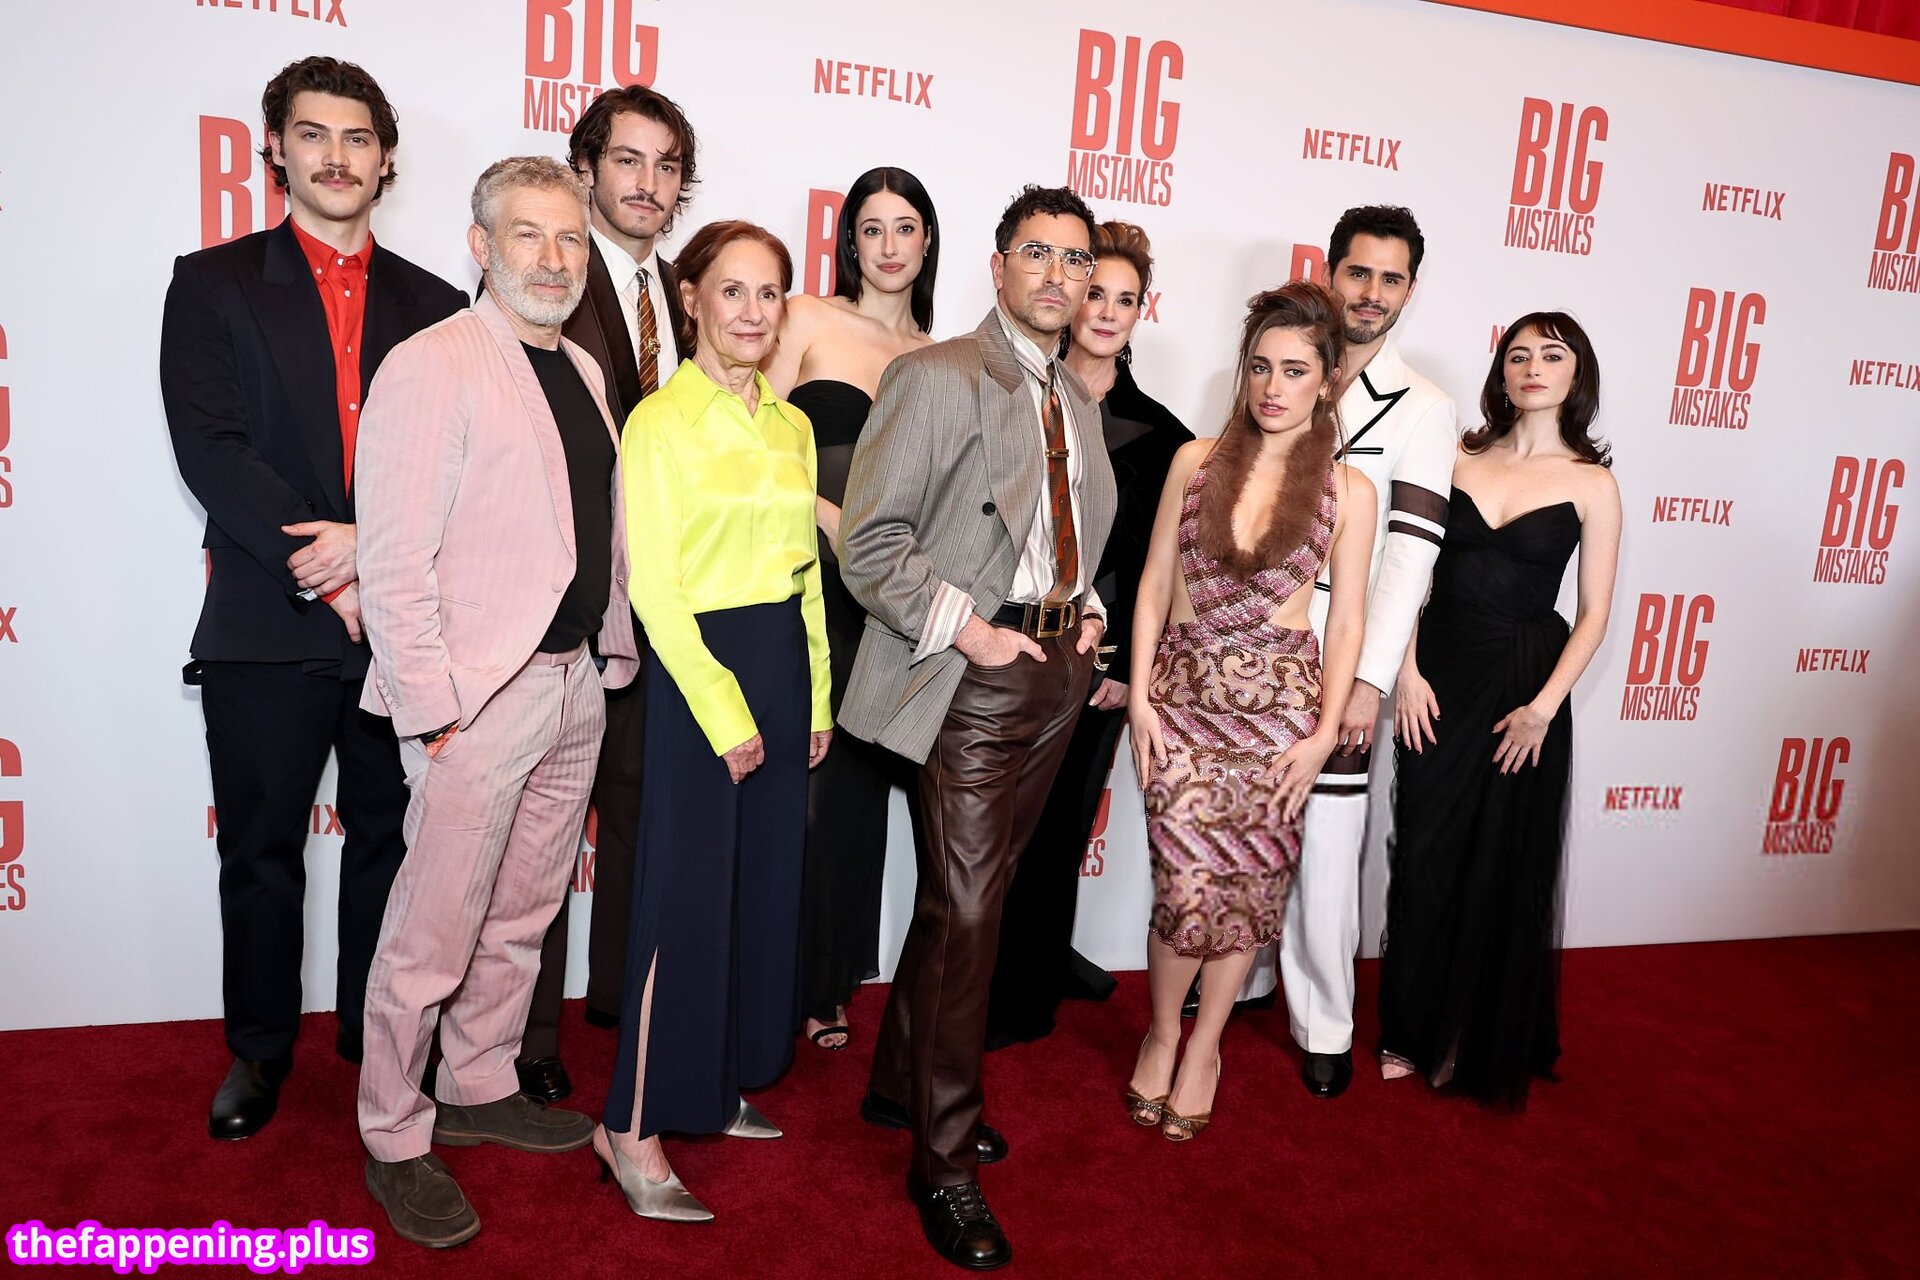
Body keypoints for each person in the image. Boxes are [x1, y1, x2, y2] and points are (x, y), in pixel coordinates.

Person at [158, 55, 466, 1142]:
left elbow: (455, 467)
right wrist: (333, 566)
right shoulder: (213, 283)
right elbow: (213, 449)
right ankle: (258, 1047)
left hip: (400, 626)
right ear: (276, 152)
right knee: (260, 852)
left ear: (386, 160)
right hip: (264, 620)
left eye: (358, 138)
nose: (337, 156)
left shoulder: (440, 307)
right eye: (313, 134)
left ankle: (377, 1040)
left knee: (392, 843)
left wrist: (371, 556)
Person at [353, 156, 640, 1248]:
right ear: (481, 246)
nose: (554, 259)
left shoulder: (586, 367)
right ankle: (393, 1132)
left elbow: (592, 523)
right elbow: (393, 558)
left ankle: (476, 1082)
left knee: (522, 913)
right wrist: (434, 710)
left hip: (573, 681)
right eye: (529, 235)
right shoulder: (433, 362)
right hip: (478, 696)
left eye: (570, 239)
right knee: (431, 934)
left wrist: (608, 650)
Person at [838, 184, 1116, 1272]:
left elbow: (1062, 533)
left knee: (969, 902)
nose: (1058, 275)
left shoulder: (1074, 394)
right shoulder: (939, 375)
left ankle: (895, 1085)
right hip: (970, 674)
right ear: (998, 267)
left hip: (1053, 675)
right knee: (967, 910)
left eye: (1075, 259)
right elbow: (870, 543)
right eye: (1037, 253)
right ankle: (944, 1163)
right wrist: (974, 632)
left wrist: (1085, 609)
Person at [595, 221, 833, 1223]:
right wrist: (728, 713)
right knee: (681, 901)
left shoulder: (792, 424)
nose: (751, 311)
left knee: (754, 893)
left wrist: (816, 697)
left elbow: (804, 576)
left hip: (781, 663)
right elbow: (655, 588)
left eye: (769, 293)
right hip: (701, 675)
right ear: (691, 299)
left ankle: (710, 1085)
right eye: (731, 290)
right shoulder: (660, 422)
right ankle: (630, 1124)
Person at [1126, 282, 1375, 1141]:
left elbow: (1348, 620)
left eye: (1296, 370)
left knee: (1248, 889)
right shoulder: (1194, 461)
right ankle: (1164, 1031)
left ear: (1329, 378)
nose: (1274, 386)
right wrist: (1141, 702)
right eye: (1261, 366)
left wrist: (1323, 734)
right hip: (1182, 703)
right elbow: (1154, 584)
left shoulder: (1349, 489)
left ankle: (1207, 1047)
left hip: (1281, 718)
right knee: (1184, 886)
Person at [1379, 312, 1620, 1108]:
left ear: (1576, 374)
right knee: (1423, 852)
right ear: (1502, 373)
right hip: (1439, 677)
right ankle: (1409, 1026)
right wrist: (1405, 669)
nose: (1533, 367)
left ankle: (1468, 1035)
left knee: (1500, 861)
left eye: (1551, 355)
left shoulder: (1592, 483)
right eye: (1518, 355)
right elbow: (1408, 568)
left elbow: (1593, 614)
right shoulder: (1456, 455)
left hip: (1526, 687)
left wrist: (1544, 708)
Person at [519, 83, 699, 1106]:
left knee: (637, 816)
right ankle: (529, 1032)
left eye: (667, 165)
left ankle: (621, 1002)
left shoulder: (688, 293)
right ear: (585, 168)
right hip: (562, 603)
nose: (648, 183)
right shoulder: (546, 274)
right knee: (542, 835)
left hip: (663, 608)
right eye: (628, 160)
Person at [1255, 206, 1460, 1101]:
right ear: (1331, 272)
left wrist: (1372, 680)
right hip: (1249, 642)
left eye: (1391, 278)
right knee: (1244, 818)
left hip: (1341, 657)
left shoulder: (1427, 408)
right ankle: (1242, 978)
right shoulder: (1280, 367)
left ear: (1409, 289)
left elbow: (1409, 559)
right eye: (1359, 272)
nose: (1372, 293)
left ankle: (1325, 1023)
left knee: (1330, 846)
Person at [987, 220, 1192, 1049]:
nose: (1106, 311)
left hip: (1099, 665)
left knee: (1060, 829)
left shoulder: (1168, 437)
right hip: (1004, 645)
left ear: (1142, 312)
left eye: (1124, 299)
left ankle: (1026, 992)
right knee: (990, 829)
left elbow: (1159, 570)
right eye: (1094, 292)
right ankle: (976, 980)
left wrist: (1130, 671)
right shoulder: (1013, 395)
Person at [763, 165, 938, 1052]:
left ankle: (826, 979)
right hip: (800, 577)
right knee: (792, 784)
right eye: (872, 228)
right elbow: (752, 432)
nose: (889, 246)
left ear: (928, 241)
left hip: (888, 604)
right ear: (849, 241)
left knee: (852, 794)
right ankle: (765, 973)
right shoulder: (804, 317)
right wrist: (831, 520)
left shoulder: (940, 357)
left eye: (905, 227)